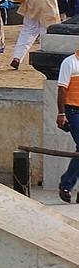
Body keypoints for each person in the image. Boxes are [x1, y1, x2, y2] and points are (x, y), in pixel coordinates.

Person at [55, 44, 79, 202]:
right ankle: (67, 183)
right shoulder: (70, 62)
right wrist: (61, 113)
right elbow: (62, 89)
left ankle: (67, 184)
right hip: (73, 110)